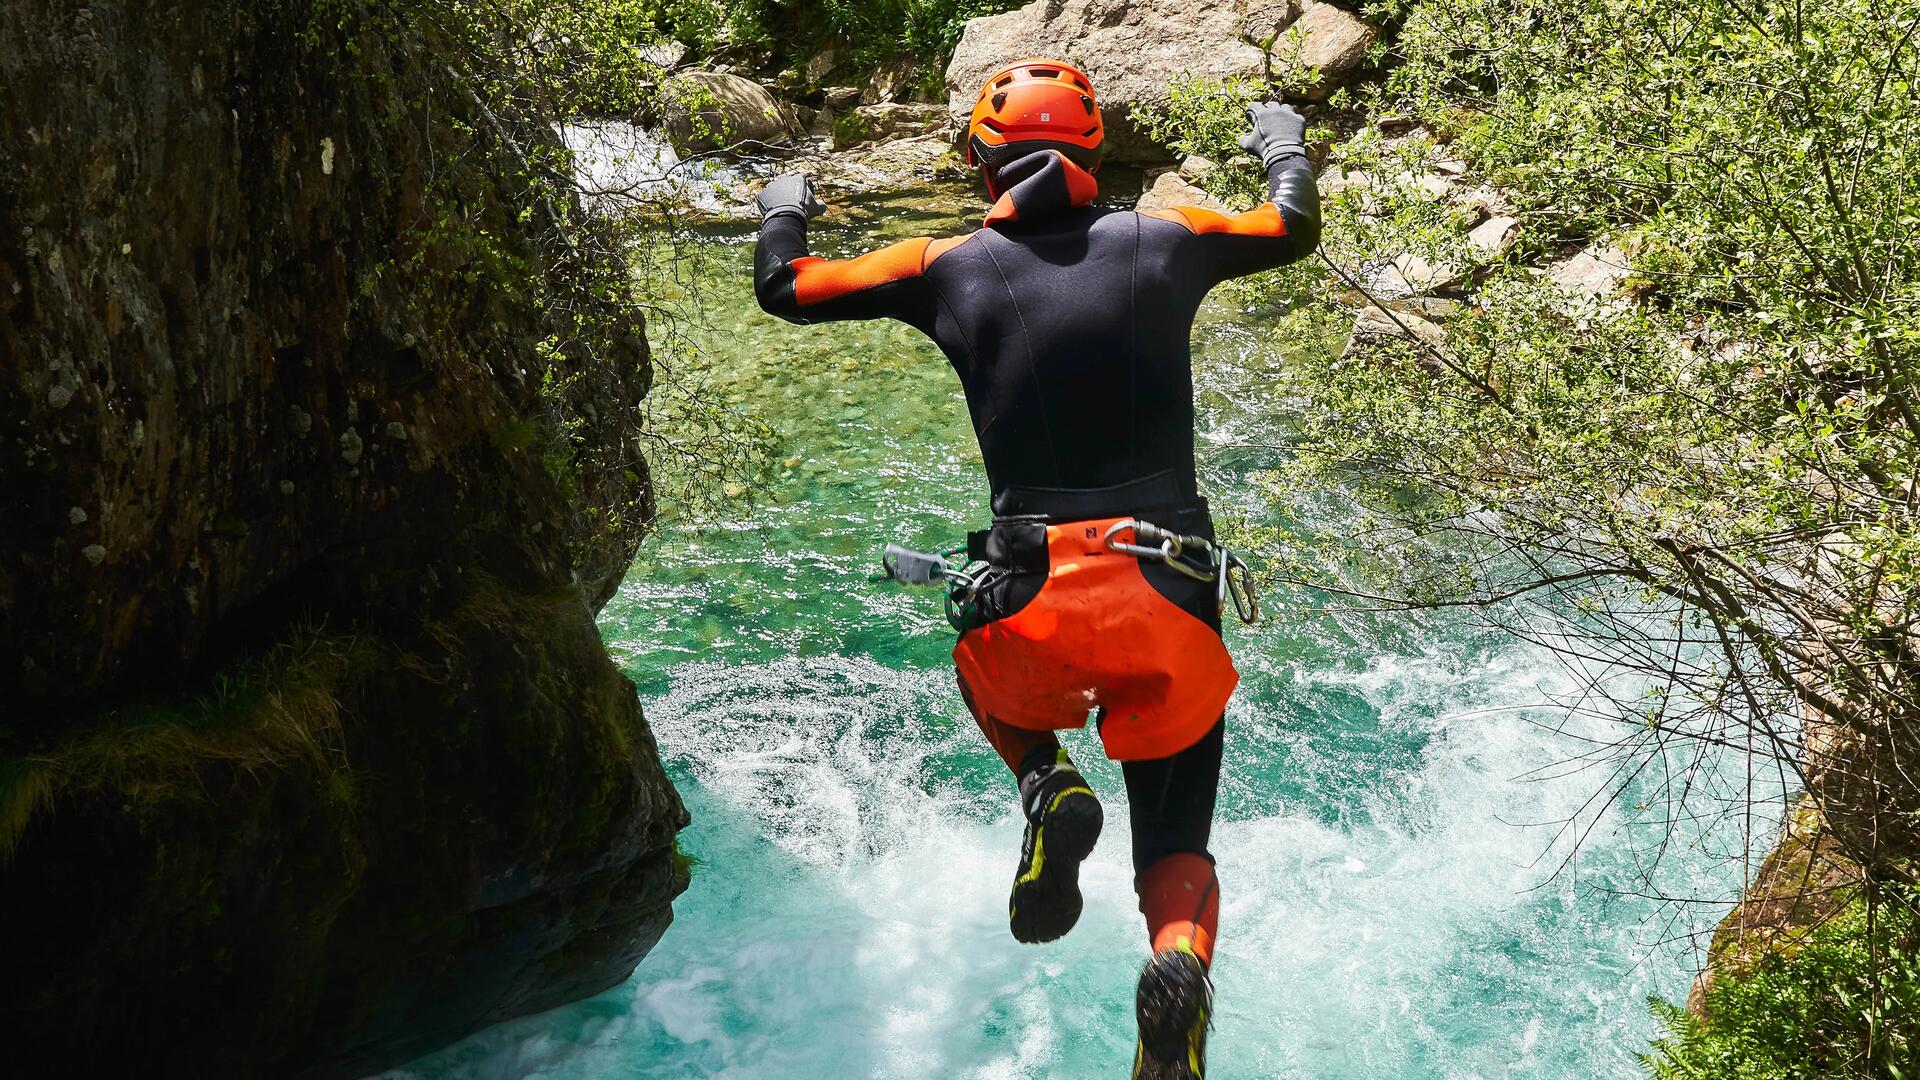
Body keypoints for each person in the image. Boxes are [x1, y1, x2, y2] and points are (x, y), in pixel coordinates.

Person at [751, 57, 1321, 1080]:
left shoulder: (944, 265)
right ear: (1094, 153)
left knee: (976, 656)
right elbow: (1290, 227)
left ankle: (1044, 780)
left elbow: (784, 290)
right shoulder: (1173, 238)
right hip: (1167, 587)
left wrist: (785, 206)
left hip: (1030, 591)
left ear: (983, 163)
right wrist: (1283, 146)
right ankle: (1177, 963)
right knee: (1176, 839)